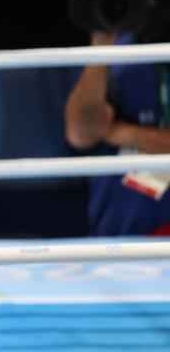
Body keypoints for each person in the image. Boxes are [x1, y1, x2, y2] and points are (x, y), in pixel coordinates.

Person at [64, 30, 170, 234]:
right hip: (122, 238)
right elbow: (80, 134)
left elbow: (98, 131)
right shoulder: (114, 54)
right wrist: (100, 48)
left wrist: (120, 133)